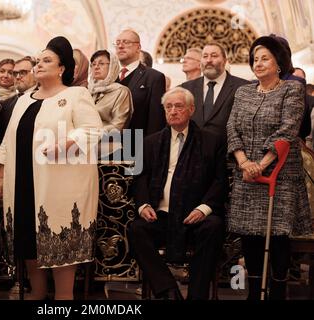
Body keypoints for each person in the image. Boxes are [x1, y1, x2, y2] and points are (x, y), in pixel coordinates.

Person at [0, 36, 102, 300]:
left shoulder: (76, 95)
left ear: (62, 68)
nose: (39, 64)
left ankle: (64, 297)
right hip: (22, 181)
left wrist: (65, 144)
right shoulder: (23, 100)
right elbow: (8, 141)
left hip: (61, 182)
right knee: (28, 235)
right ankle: (38, 293)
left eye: (47, 60)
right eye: (38, 60)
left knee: (59, 233)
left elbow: (94, 131)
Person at [226, 36, 312, 300]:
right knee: (250, 236)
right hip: (246, 175)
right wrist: (243, 163)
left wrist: (260, 165)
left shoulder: (291, 90)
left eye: (265, 58)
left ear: (279, 63)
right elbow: (232, 128)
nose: (258, 63)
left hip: (280, 175)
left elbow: (287, 130)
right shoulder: (243, 92)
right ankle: (253, 293)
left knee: (277, 237)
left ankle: (277, 292)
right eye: (255, 58)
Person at [128, 87, 227, 300]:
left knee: (214, 227)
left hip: (195, 215)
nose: (173, 111)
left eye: (179, 106)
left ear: (191, 109)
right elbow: (139, 178)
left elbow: (220, 181)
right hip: (161, 214)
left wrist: (204, 209)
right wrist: (144, 204)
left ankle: (197, 296)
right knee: (136, 229)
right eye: (168, 107)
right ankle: (168, 291)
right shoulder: (150, 142)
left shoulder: (212, 141)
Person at [181, 42, 249, 139]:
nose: (208, 60)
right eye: (205, 56)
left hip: (228, 151)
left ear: (225, 60)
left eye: (214, 56)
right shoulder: (186, 88)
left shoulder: (243, 87)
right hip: (193, 151)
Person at [115, 29, 166, 137]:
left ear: (138, 47)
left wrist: (150, 149)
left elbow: (155, 121)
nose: (120, 46)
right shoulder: (109, 77)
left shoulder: (154, 78)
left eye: (126, 42)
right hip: (108, 142)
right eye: (118, 43)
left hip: (136, 143)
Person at [88, 49, 133, 156]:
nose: (96, 67)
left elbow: (118, 125)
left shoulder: (121, 91)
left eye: (101, 63)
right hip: (85, 147)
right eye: (93, 64)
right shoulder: (88, 91)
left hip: (109, 150)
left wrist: (90, 134)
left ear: (112, 66)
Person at [0, 56, 37, 145]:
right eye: (15, 73)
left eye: (23, 72)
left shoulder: (44, 99)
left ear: (35, 73)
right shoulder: (6, 104)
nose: (18, 77)